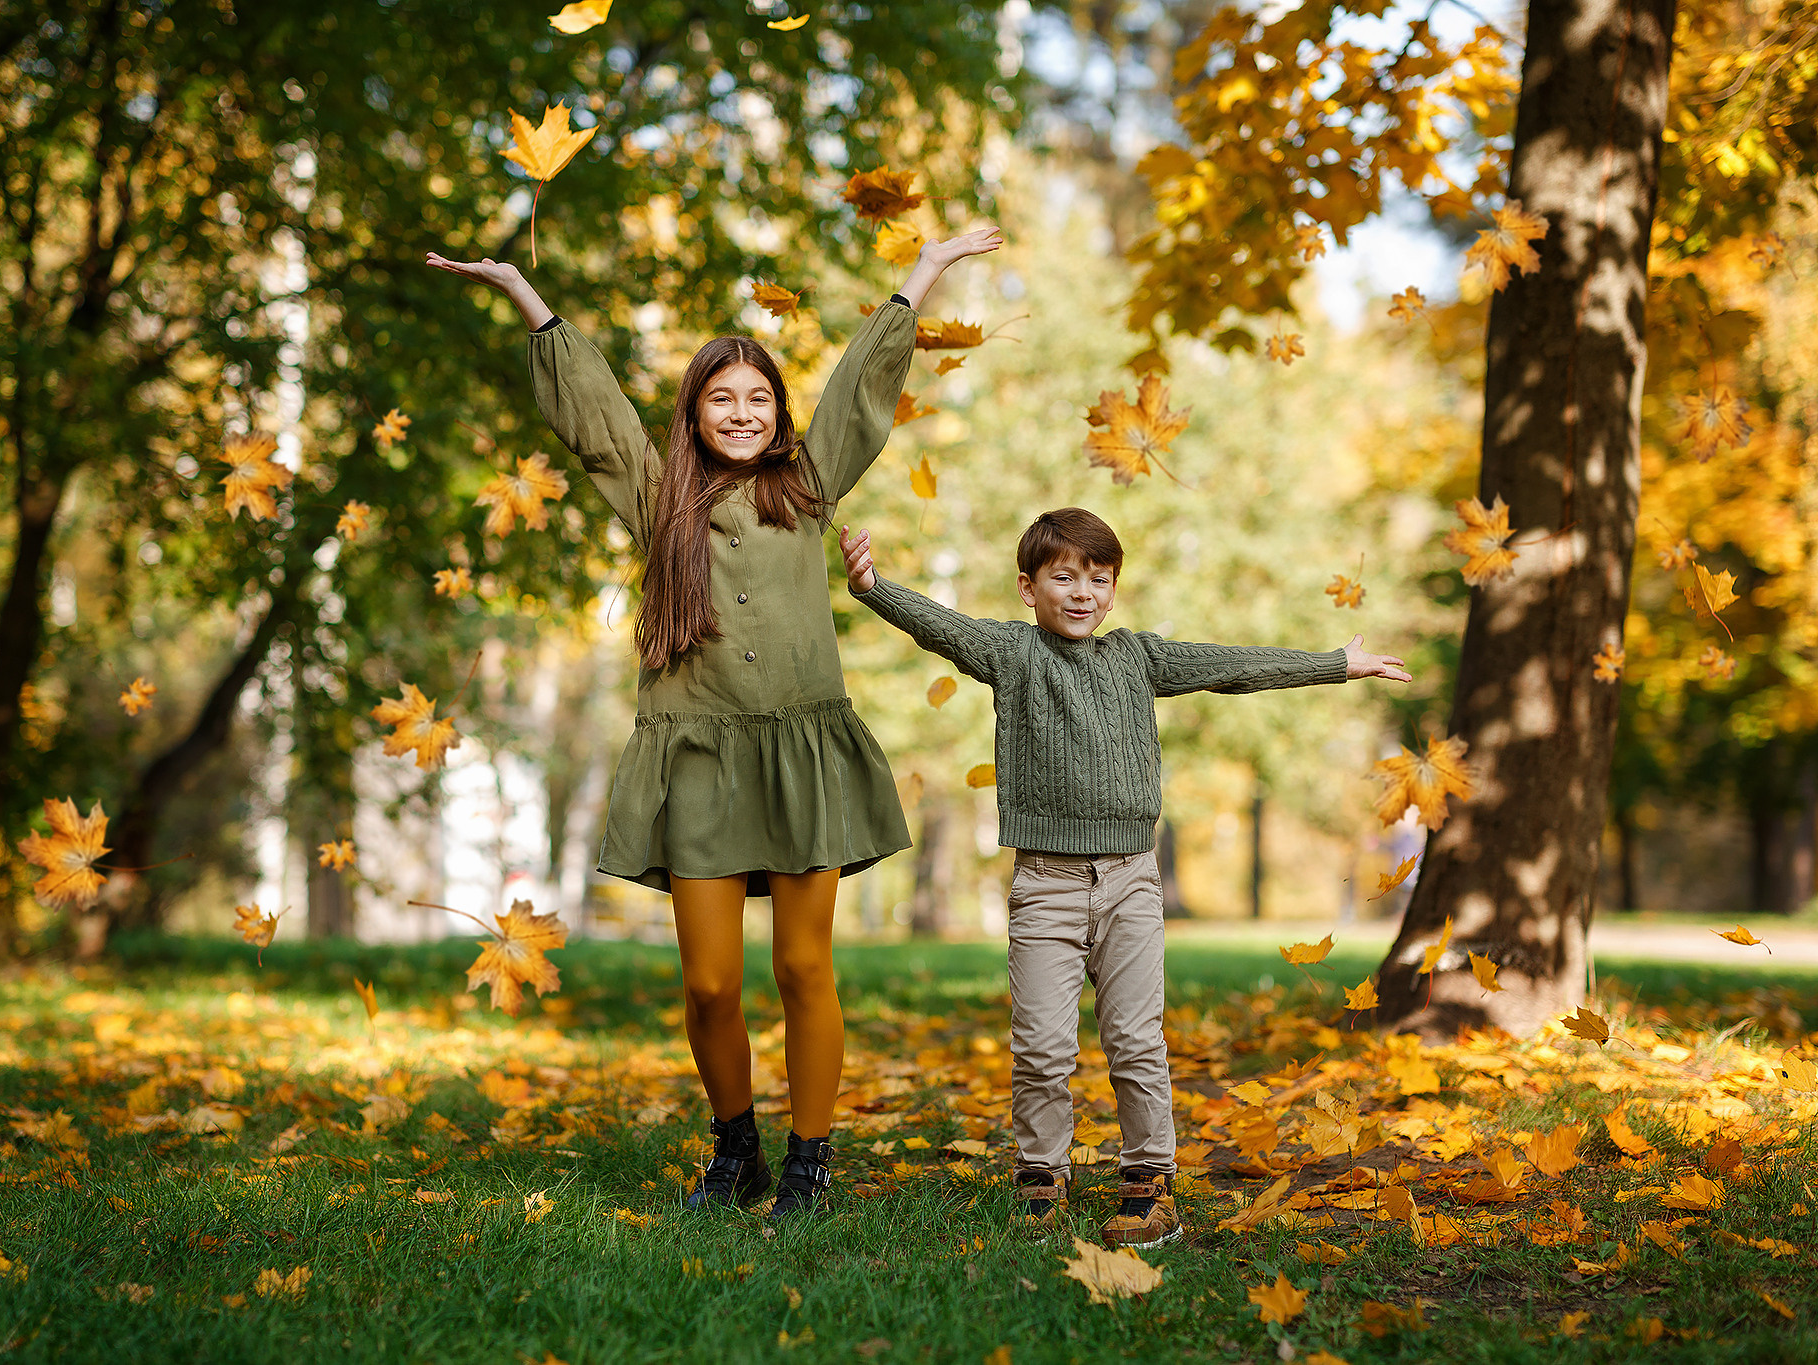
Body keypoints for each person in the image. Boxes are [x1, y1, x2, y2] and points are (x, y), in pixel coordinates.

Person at [429, 228, 1003, 1217]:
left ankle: (809, 1161)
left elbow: (860, 388)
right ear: (694, 413)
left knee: (802, 965)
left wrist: (927, 269)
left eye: (758, 398)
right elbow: (596, 417)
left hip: (800, 752)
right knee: (708, 985)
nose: (741, 413)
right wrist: (526, 294)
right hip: (696, 754)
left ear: (777, 412)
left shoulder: (808, 483)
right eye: (721, 398)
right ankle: (736, 1148)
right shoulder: (659, 497)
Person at [839, 508, 1410, 1247]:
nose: (1083, 593)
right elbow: (942, 626)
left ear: (1112, 589)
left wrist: (1334, 663)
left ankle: (1149, 1182)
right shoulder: (1013, 653)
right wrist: (872, 587)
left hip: (1132, 881)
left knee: (1137, 1041)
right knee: (1040, 1047)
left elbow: (1230, 666)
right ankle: (1041, 1177)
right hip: (1046, 884)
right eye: (1064, 577)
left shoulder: (1137, 657)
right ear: (1029, 587)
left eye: (1099, 579)